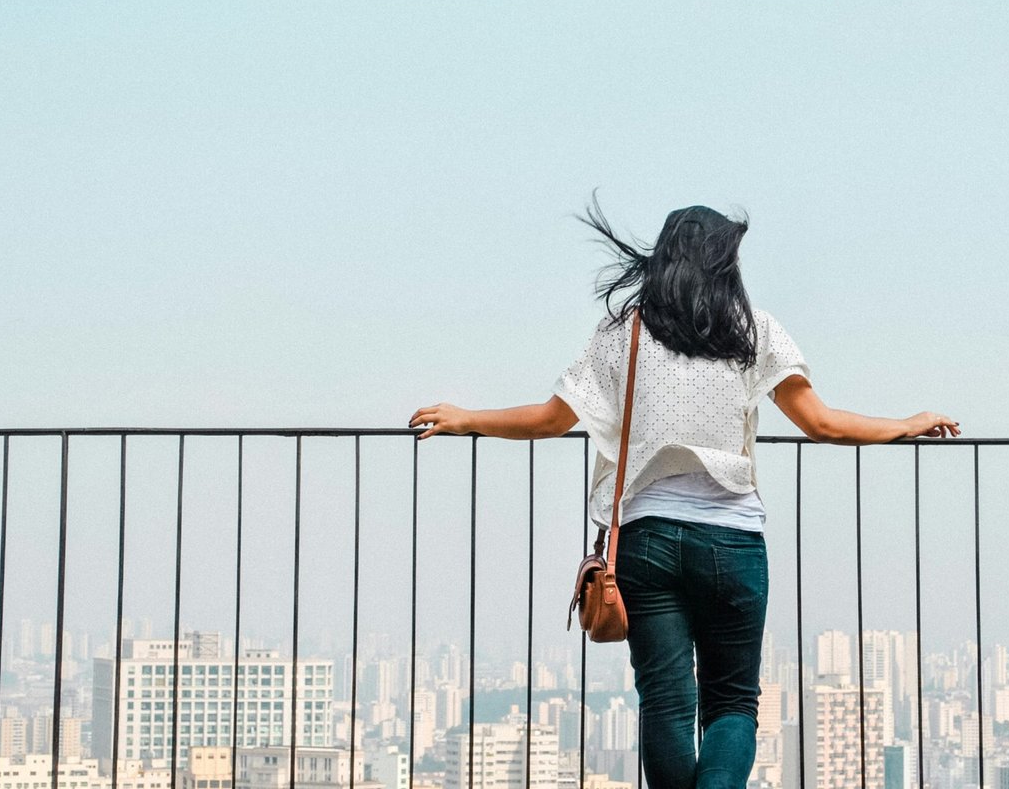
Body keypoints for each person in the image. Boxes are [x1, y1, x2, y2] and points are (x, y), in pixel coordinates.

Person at [409, 199, 959, 789]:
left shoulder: (626, 333)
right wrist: (905, 423)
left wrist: (467, 417)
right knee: (731, 703)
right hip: (732, 540)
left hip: (645, 543)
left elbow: (550, 419)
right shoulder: (754, 330)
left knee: (666, 703)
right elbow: (822, 424)